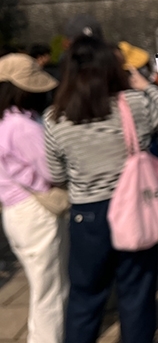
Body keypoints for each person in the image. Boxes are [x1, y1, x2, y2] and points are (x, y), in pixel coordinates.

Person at [43, 35, 158, 343]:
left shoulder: (54, 117)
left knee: (85, 297)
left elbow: (56, 175)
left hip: (87, 216)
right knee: (136, 293)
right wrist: (146, 86)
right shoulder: (134, 104)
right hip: (135, 207)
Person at [0, 53, 69, 343]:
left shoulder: (6, 121)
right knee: (50, 292)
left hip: (14, 211)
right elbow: (52, 170)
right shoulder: (23, 126)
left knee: (41, 286)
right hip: (36, 213)